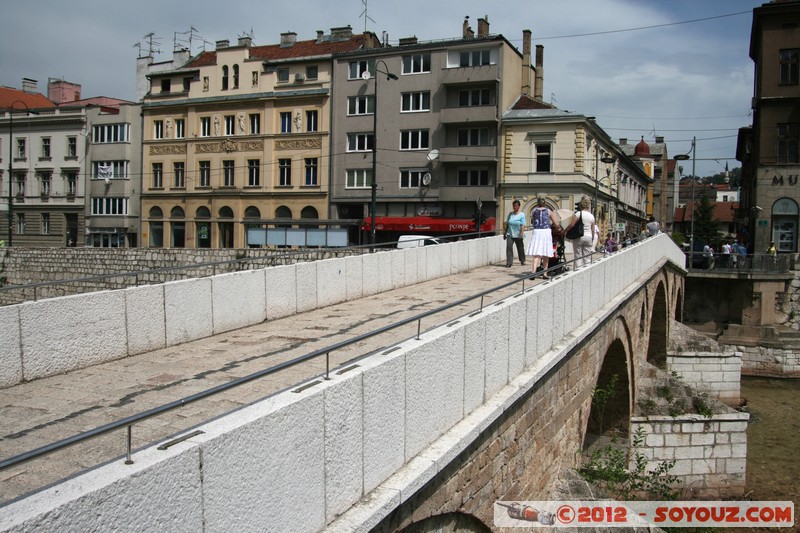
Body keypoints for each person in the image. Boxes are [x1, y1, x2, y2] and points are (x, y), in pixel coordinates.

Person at [526, 196, 558, 278]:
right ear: (545, 203)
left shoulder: (533, 211)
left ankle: (533, 272)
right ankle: (545, 273)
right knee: (545, 253)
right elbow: (556, 223)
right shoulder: (549, 211)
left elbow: (533, 220)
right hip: (545, 232)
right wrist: (557, 228)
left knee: (536, 254)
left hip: (536, 231)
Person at [563, 197, 595, 269]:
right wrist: (592, 238)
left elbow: (572, 225)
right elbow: (593, 229)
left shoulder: (578, 214)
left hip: (579, 236)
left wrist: (564, 231)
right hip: (589, 237)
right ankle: (587, 270)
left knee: (578, 256)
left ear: (581, 205)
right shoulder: (592, 216)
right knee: (587, 257)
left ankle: (578, 271)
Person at [505, 199, 526, 267]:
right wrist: (505, 233)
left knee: (520, 248)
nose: (515, 207)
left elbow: (523, 225)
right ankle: (509, 262)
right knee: (509, 247)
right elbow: (507, 224)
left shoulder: (521, 215)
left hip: (518, 233)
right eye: (514, 206)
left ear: (519, 206)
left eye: (516, 206)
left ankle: (522, 260)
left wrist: (521, 233)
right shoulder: (510, 214)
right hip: (510, 233)